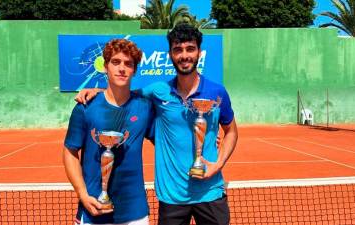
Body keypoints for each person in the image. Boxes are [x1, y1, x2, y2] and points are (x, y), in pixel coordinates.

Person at [76, 23, 238, 225]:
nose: (184, 55)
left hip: (210, 193)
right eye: (178, 50)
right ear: (170, 54)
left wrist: (218, 164)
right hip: (172, 198)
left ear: (199, 52)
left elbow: (231, 131)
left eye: (190, 49)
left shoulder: (217, 92)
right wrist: (99, 92)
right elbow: (124, 95)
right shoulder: (158, 91)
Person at [64, 39, 153, 225]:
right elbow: (70, 152)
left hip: (134, 212)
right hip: (94, 209)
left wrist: (206, 139)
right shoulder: (85, 107)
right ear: (105, 66)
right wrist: (83, 195)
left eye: (128, 64)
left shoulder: (145, 107)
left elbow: (167, 138)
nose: (122, 68)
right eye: (115, 62)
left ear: (134, 70)